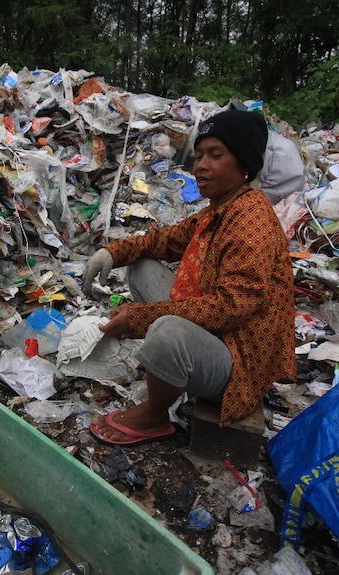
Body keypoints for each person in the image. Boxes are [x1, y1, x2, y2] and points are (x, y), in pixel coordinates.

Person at [82, 109, 296, 446]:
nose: (201, 166)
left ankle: (154, 416)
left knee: (165, 330)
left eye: (216, 155)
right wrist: (113, 252)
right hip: (217, 333)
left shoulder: (252, 223)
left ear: (244, 165)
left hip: (238, 359)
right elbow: (164, 240)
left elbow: (229, 307)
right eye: (198, 156)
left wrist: (139, 318)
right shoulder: (218, 210)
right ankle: (169, 367)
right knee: (142, 264)